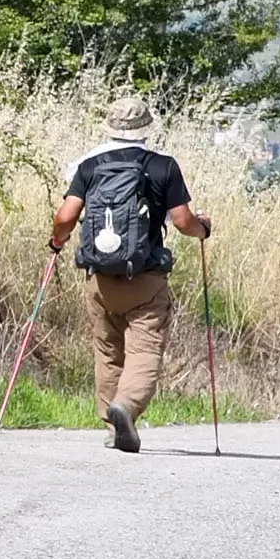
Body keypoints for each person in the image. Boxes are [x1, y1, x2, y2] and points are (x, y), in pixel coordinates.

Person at [47, 97, 210, 454]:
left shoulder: (90, 167)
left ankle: (111, 425)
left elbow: (65, 216)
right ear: (146, 129)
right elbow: (183, 222)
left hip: (101, 278)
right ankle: (127, 406)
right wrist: (204, 230)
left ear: (111, 127)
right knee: (145, 349)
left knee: (107, 350)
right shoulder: (163, 166)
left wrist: (57, 241)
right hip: (146, 279)